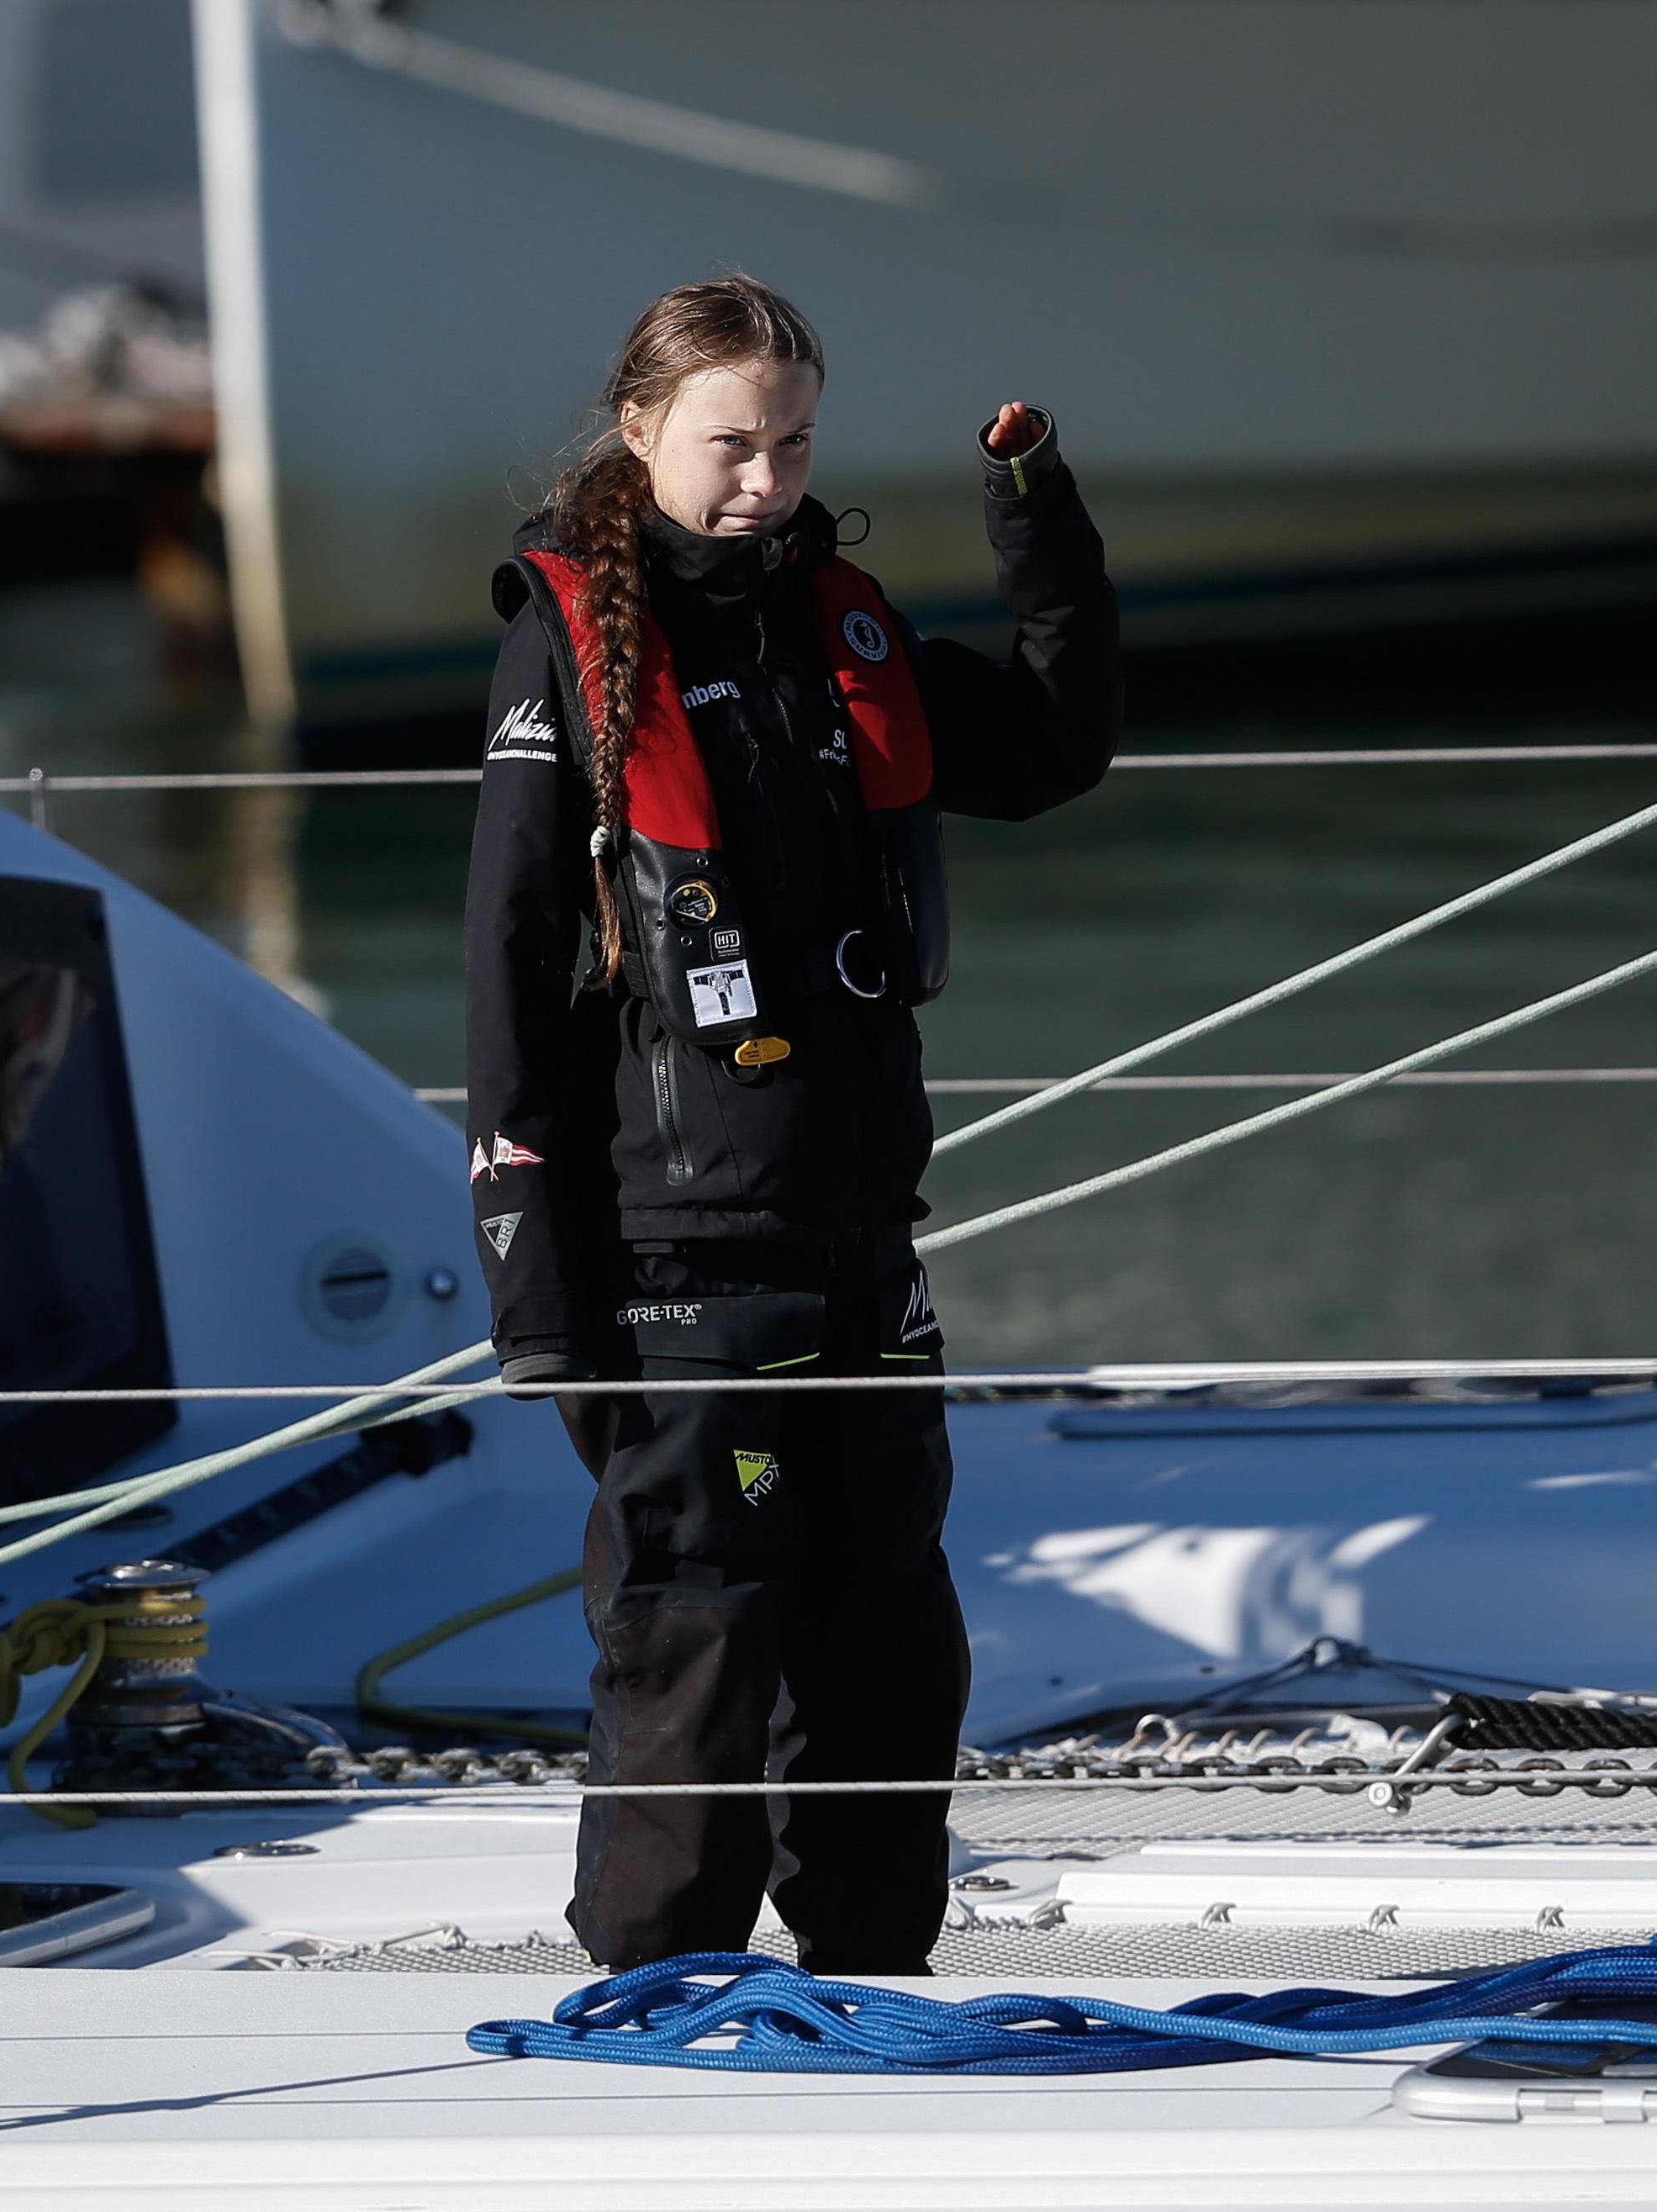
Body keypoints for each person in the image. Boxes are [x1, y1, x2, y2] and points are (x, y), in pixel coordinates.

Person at [462, 275, 1119, 1972]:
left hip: (861, 1239)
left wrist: (1031, 509)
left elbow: (1055, 741)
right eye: (728, 445)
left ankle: (873, 1971)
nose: (762, 479)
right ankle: (654, 1985)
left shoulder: (845, 628)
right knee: (696, 1633)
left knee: (893, 1631)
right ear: (640, 432)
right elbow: (514, 968)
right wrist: (537, 1297)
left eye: (793, 444)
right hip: (676, 1254)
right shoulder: (571, 647)